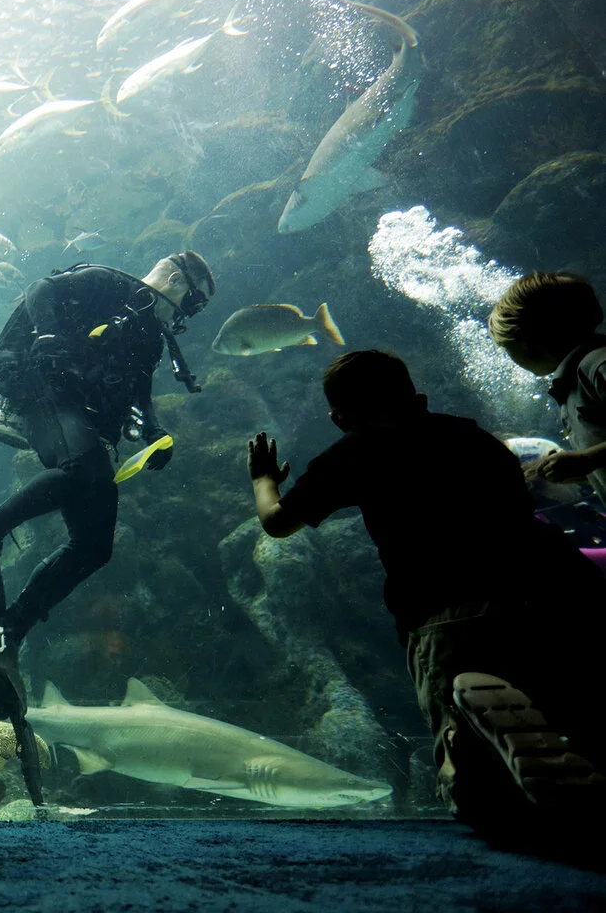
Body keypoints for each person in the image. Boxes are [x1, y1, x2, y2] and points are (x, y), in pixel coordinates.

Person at [247, 350, 606, 837]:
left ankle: (484, 754)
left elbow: (278, 523)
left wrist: (264, 479)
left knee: (475, 787)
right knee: (575, 714)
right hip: (551, 593)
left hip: (445, 610)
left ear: (339, 418)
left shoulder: (355, 452)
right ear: (418, 397)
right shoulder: (477, 439)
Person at [0, 251, 215, 769]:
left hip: (81, 413)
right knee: (85, 471)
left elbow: (139, 392)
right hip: (35, 382)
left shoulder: (149, 334)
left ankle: (11, 630)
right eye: (194, 299)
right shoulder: (106, 281)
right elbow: (39, 292)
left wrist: (154, 431)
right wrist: (47, 335)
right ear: (176, 280)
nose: (191, 312)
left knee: (96, 545)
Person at [489, 272, 606, 505]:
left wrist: (588, 458)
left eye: (507, 347)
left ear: (527, 342)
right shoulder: (573, 382)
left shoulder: (596, 364)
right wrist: (584, 473)